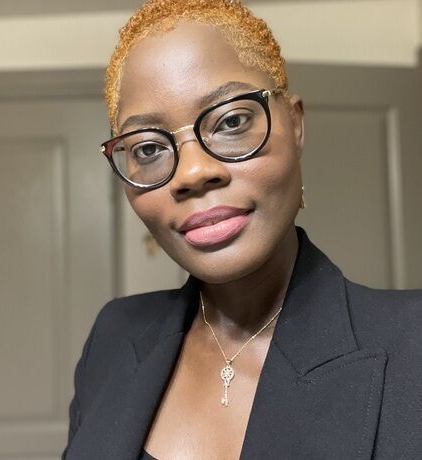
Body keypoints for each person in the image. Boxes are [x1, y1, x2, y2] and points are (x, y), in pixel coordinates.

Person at [62, 1, 422, 459]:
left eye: (231, 121)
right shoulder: (113, 337)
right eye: (149, 148)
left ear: (295, 124)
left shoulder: (412, 345)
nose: (192, 173)